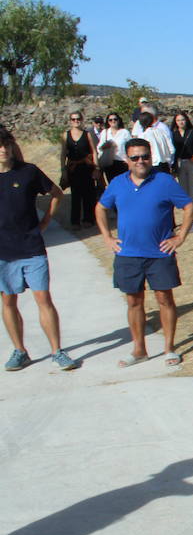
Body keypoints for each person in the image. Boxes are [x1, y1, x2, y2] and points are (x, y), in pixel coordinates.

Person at [95, 137, 193, 367]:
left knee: (165, 299)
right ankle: (139, 349)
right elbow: (100, 208)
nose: (141, 161)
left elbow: (189, 206)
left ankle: (169, 348)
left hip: (159, 254)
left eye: (145, 156)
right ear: (126, 159)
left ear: (151, 157)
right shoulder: (118, 183)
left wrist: (180, 237)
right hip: (128, 254)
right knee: (133, 301)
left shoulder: (164, 181)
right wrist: (107, 237)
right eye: (135, 157)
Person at [0, 125, 79, 371]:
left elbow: (56, 194)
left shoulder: (28, 172)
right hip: (3, 252)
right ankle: (20, 351)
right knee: (9, 302)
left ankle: (57, 351)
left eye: (6, 144)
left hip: (31, 247)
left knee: (43, 298)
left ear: (13, 146)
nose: (3, 149)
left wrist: (45, 222)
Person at [61, 111, 100, 228]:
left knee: (88, 194)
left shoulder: (87, 134)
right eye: (73, 119)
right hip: (73, 168)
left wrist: (96, 168)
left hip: (87, 167)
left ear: (82, 120)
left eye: (78, 119)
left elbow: (94, 152)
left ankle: (88, 219)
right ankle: (75, 221)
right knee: (75, 195)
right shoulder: (65, 135)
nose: (76, 121)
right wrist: (63, 170)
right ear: (70, 121)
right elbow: (63, 154)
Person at [98, 112, 132, 183]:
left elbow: (130, 147)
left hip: (122, 162)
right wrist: (105, 146)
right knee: (112, 184)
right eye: (110, 120)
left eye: (115, 119)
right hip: (109, 162)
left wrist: (129, 160)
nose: (113, 121)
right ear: (108, 122)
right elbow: (99, 148)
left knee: (123, 183)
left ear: (118, 120)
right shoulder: (105, 132)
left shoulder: (124, 132)